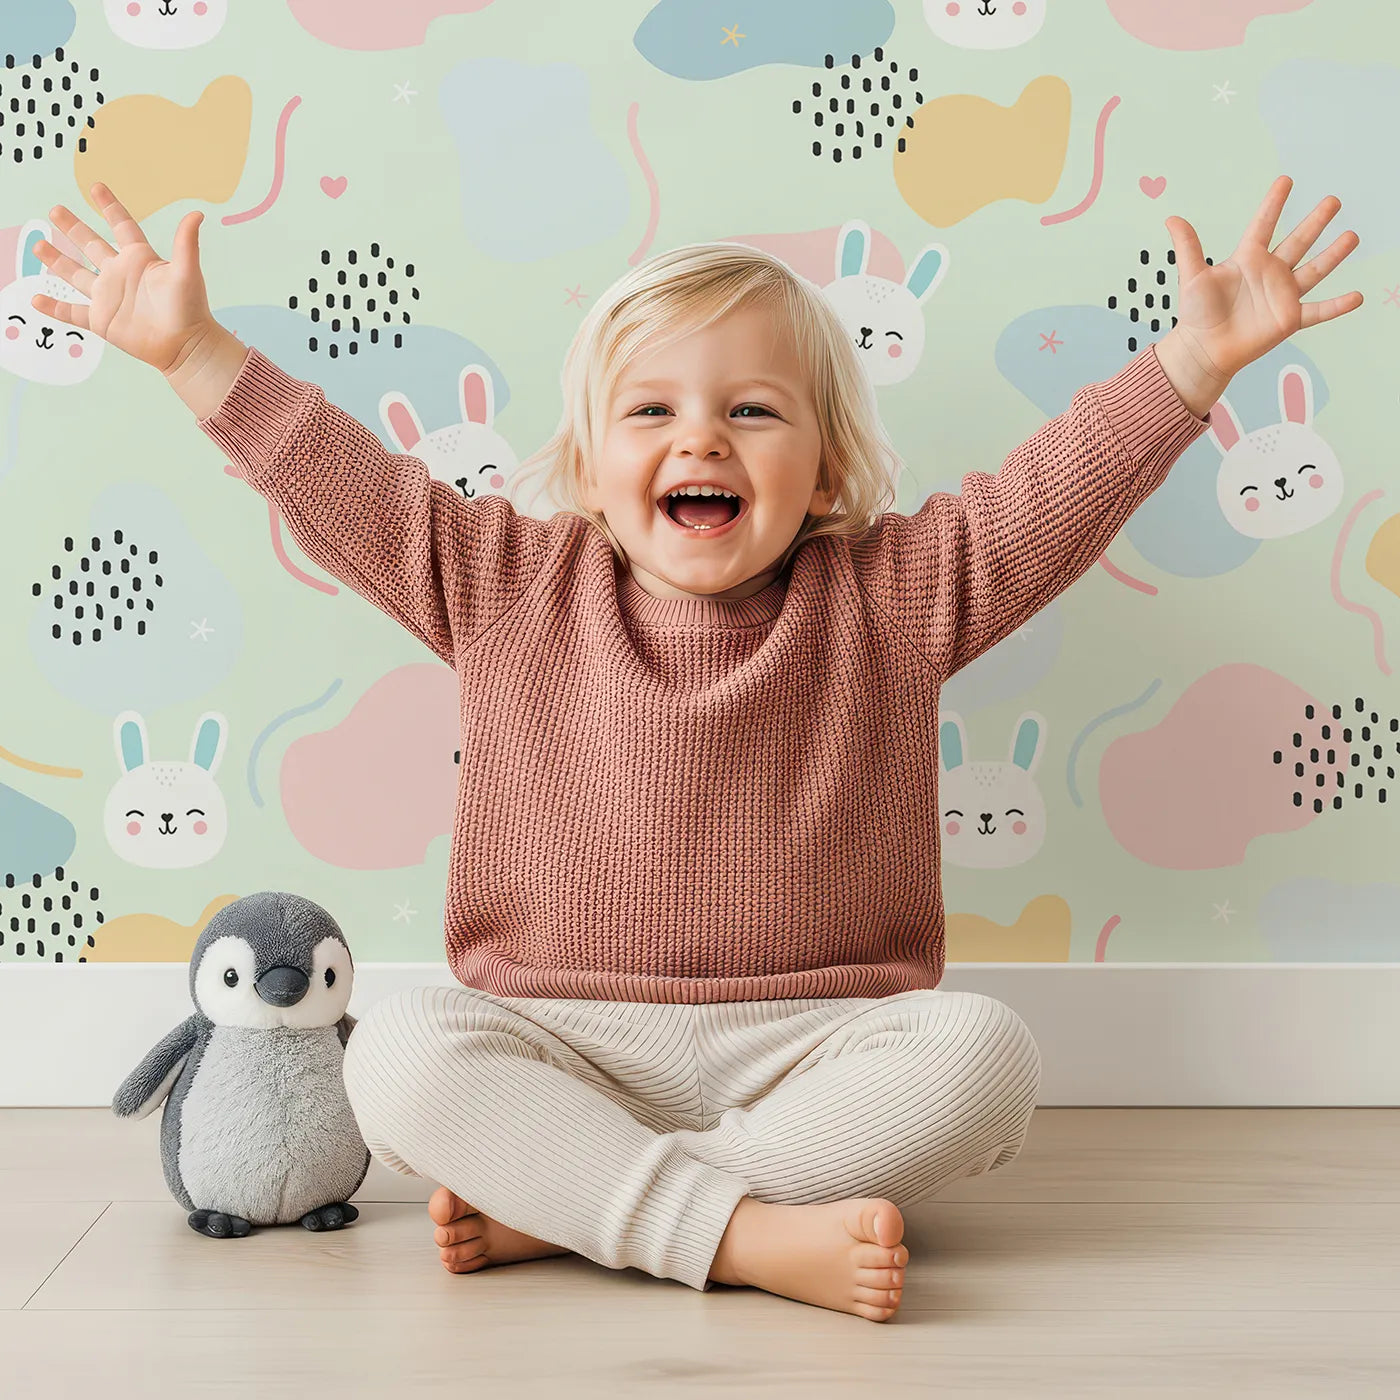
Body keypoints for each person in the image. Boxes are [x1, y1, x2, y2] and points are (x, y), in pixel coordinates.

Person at [31, 177, 1360, 1322]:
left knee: (987, 1057)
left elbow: (1049, 492)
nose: (701, 439)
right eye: (651, 412)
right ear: (590, 465)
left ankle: (580, 1211)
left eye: (754, 413)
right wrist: (193, 349)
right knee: (396, 1058)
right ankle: (738, 1235)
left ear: (830, 467)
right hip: (556, 1041)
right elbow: (341, 481)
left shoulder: (894, 595)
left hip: (816, 1051)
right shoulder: (502, 583)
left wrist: (1191, 369)